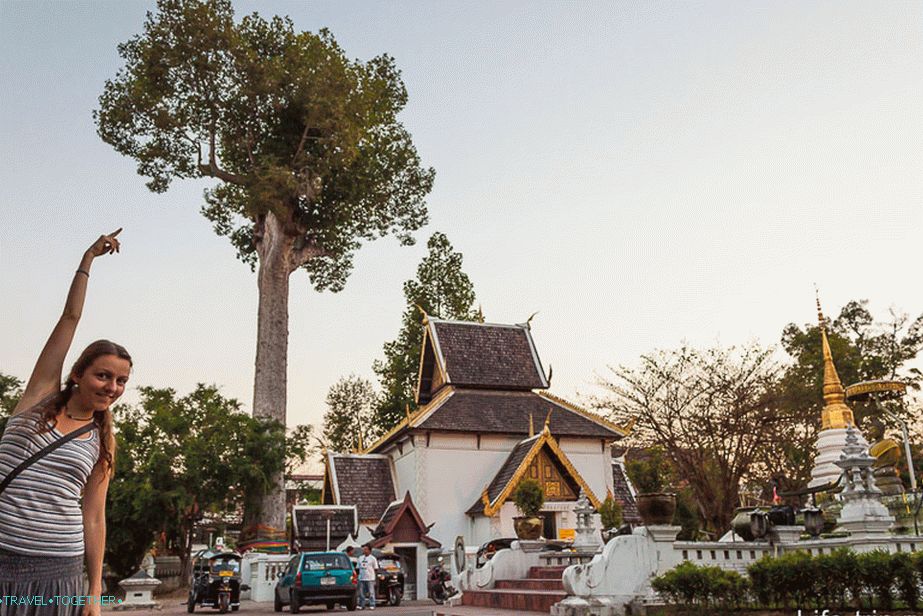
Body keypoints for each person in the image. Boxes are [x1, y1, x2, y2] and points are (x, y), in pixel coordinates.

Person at [0, 230, 127, 616]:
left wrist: (94, 590)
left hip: (58, 571)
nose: (113, 387)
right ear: (77, 374)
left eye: (121, 381)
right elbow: (70, 318)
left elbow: (94, 515)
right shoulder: (38, 398)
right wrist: (87, 259)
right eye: (103, 375)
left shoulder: (101, 441)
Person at [356, 545, 378, 610]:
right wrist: (358, 576)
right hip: (361, 578)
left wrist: (374, 577)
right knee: (361, 593)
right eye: (364, 549)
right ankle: (362, 605)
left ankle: (372, 604)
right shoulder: (360, 558)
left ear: (369, 551)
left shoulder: (373, 558)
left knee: (371, 592)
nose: (364, 551)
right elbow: (357, 568)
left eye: (366, 549)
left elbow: (376, 568)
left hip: (370, 578)